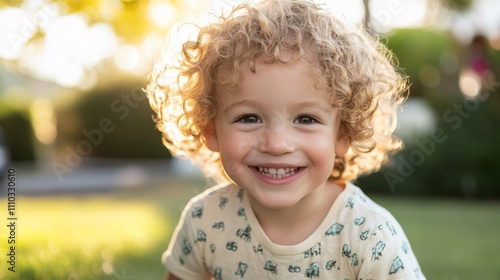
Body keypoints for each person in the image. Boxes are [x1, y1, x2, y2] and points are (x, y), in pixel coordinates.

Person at [146, 0, 425, 279]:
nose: (277, 144)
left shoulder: (370, 237)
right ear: (210, 130)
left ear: (343, 134)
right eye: (249, 118)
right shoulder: (204, 220)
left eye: (305, 119)